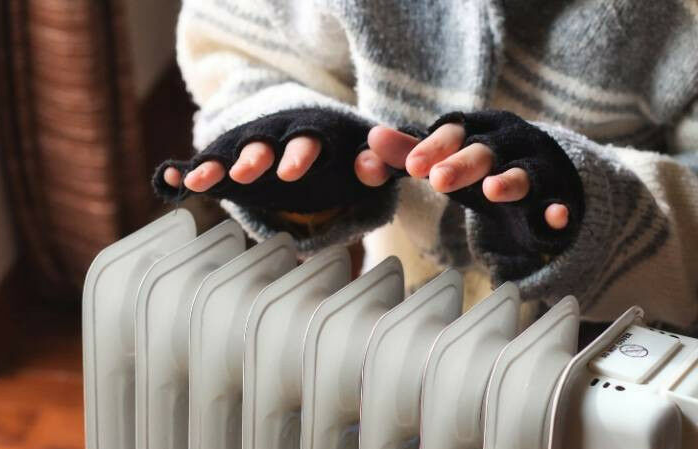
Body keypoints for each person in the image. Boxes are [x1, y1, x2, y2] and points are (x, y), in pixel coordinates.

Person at [154, 0, 698, 329]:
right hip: (407, 323)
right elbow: (239, 51)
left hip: (629, 355)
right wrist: (298, 135)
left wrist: (591, 210)